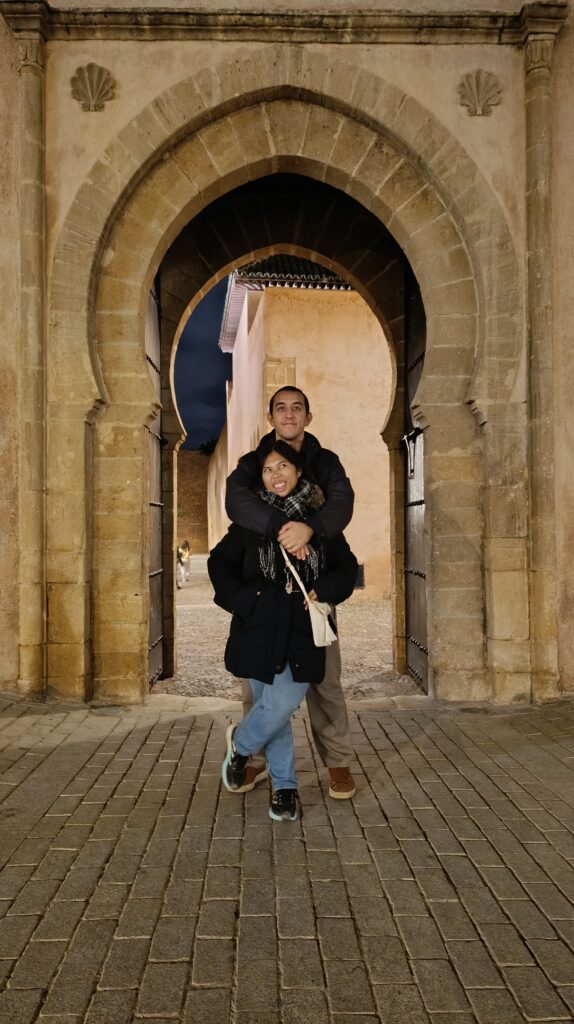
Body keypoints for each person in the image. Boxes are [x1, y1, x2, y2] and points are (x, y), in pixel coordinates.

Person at [208, 440, 358, 821]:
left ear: (298, 472)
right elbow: (218, 564)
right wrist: (248, 601)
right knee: (269, 703)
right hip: (258, 625)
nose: (276, 475)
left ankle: (241, 745)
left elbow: (346, 568)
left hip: (303, 627)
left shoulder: (320, 523)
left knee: (281, 702)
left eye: (283, 467)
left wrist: (323, 589)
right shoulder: (250, 524)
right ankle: (285, 789)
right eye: (267, 470)